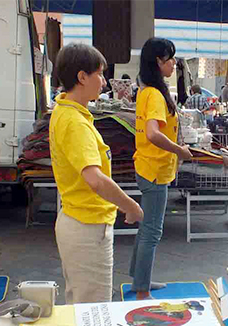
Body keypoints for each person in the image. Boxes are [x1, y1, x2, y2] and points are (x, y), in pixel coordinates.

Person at [50, 43, 144, 304]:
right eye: (100, 74)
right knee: (93, 310)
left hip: (80, 221)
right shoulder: (74, 122)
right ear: (82, 77)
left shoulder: (68, 111)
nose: (103, 82)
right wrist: (131, 205)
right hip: (86, 227)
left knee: (81, 306)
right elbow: (95, 179)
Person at [129, 38, 192, 300]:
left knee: (147, 227)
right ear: (158, 61)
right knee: (153, 230)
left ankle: (139, 279)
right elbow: (154, 134)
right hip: (153, 169)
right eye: (171, 59)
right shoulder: (154, 94)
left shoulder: (148, 90)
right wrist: (179, 151)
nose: (174, 63)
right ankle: (142, 289)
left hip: (149, 166)